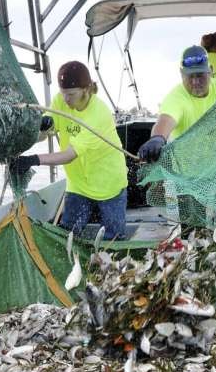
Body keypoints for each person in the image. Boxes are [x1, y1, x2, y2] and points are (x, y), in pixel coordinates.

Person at [11, 61, 128, 239]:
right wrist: (42, 126)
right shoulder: (61, 101)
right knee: (67, 235)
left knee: (113, 238)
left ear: (86, 89)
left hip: (108, 183)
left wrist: (34, 160)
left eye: (71, 94)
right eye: (63, 93)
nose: (66, 99)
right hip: (78, 184)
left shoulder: (98, 114)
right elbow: (45, 133)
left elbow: (69, 155)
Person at [138, 45, 216, 162]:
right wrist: (157, 138)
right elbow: (166, 119)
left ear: (210, 71)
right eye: (190, 76)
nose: (195, 81)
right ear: (181, 74)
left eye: (200, 75)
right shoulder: (176, 98)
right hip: (185, 176)